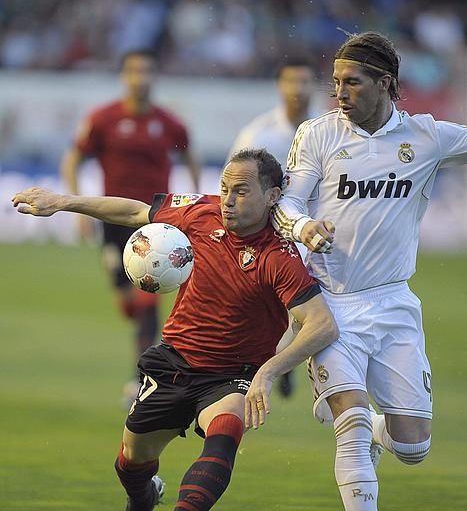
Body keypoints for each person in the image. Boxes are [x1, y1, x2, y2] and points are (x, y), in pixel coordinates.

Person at [13, 148, 339, 511]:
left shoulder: (279, 256)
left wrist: (269, 371)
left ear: (273, 196)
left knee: (226, 430)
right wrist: (62, 202)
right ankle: (143, 497)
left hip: (233, 375)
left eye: (241, 191)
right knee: (131, 463)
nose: (228, 200)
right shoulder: (201, 212)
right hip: (174, 362)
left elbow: (322, 325)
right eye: (225, 189)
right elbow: (135, 213)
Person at [272, 31, 467, 510]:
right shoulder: (319, 133)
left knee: (413, 448)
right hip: (328, 303)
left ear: (385, 83)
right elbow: (287, 203)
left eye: (352, 82)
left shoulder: (427, 137)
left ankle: (383, 432)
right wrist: (303, 226)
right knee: (352, 424)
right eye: (336, 81)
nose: (339, 93)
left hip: (394, 303)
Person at [60, 49, 201, 402]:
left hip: (155, 224)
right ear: (124, 76)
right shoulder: (103, 119)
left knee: (147, 298)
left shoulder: (168, 123)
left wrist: (196, 199)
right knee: (127, 301)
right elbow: (72, 159)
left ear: (155, 76)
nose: (141, 78)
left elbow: (190, 154)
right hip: (113, 220)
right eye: (135, 71)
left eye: (147, 71)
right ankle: (138, 327)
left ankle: (139, 378)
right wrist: (78, 209)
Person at [229, 58, 322, 398]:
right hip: (269, 236)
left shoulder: (327, 130)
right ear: (279, 87)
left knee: (307, 307)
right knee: (267, 304)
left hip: (315, 233)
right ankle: (277, 357)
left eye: (305, 81)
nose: (298, 89)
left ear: (314, 86)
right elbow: (233, 178)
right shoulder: (260, 134)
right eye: (291, 81)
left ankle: (282, 359)